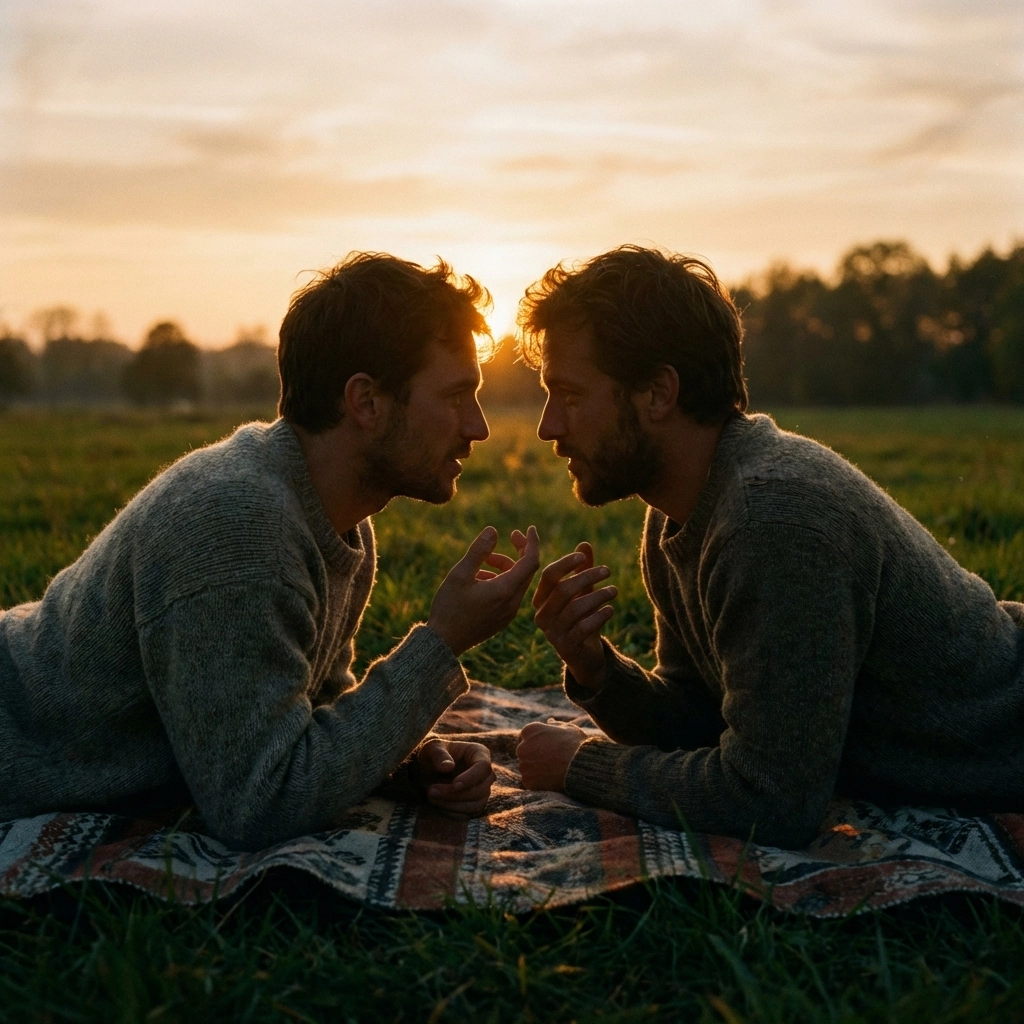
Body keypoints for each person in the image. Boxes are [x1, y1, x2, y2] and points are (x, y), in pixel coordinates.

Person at [0, 253, 540, 850]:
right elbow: (261, 802)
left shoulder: (332, 517)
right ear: (365, 402)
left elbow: (311, 707)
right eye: (458, 395)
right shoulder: (238, 526)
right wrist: (439, 643)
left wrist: (404, 762)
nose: (480, 427)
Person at [514, 244, 1024, 850]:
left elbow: (772, 797)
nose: (548, 426)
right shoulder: (678, 513)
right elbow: (706, 719)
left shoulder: (772, 521)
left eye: (569, 394)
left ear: (657, 392)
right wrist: (598, 672)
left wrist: (582, 767)